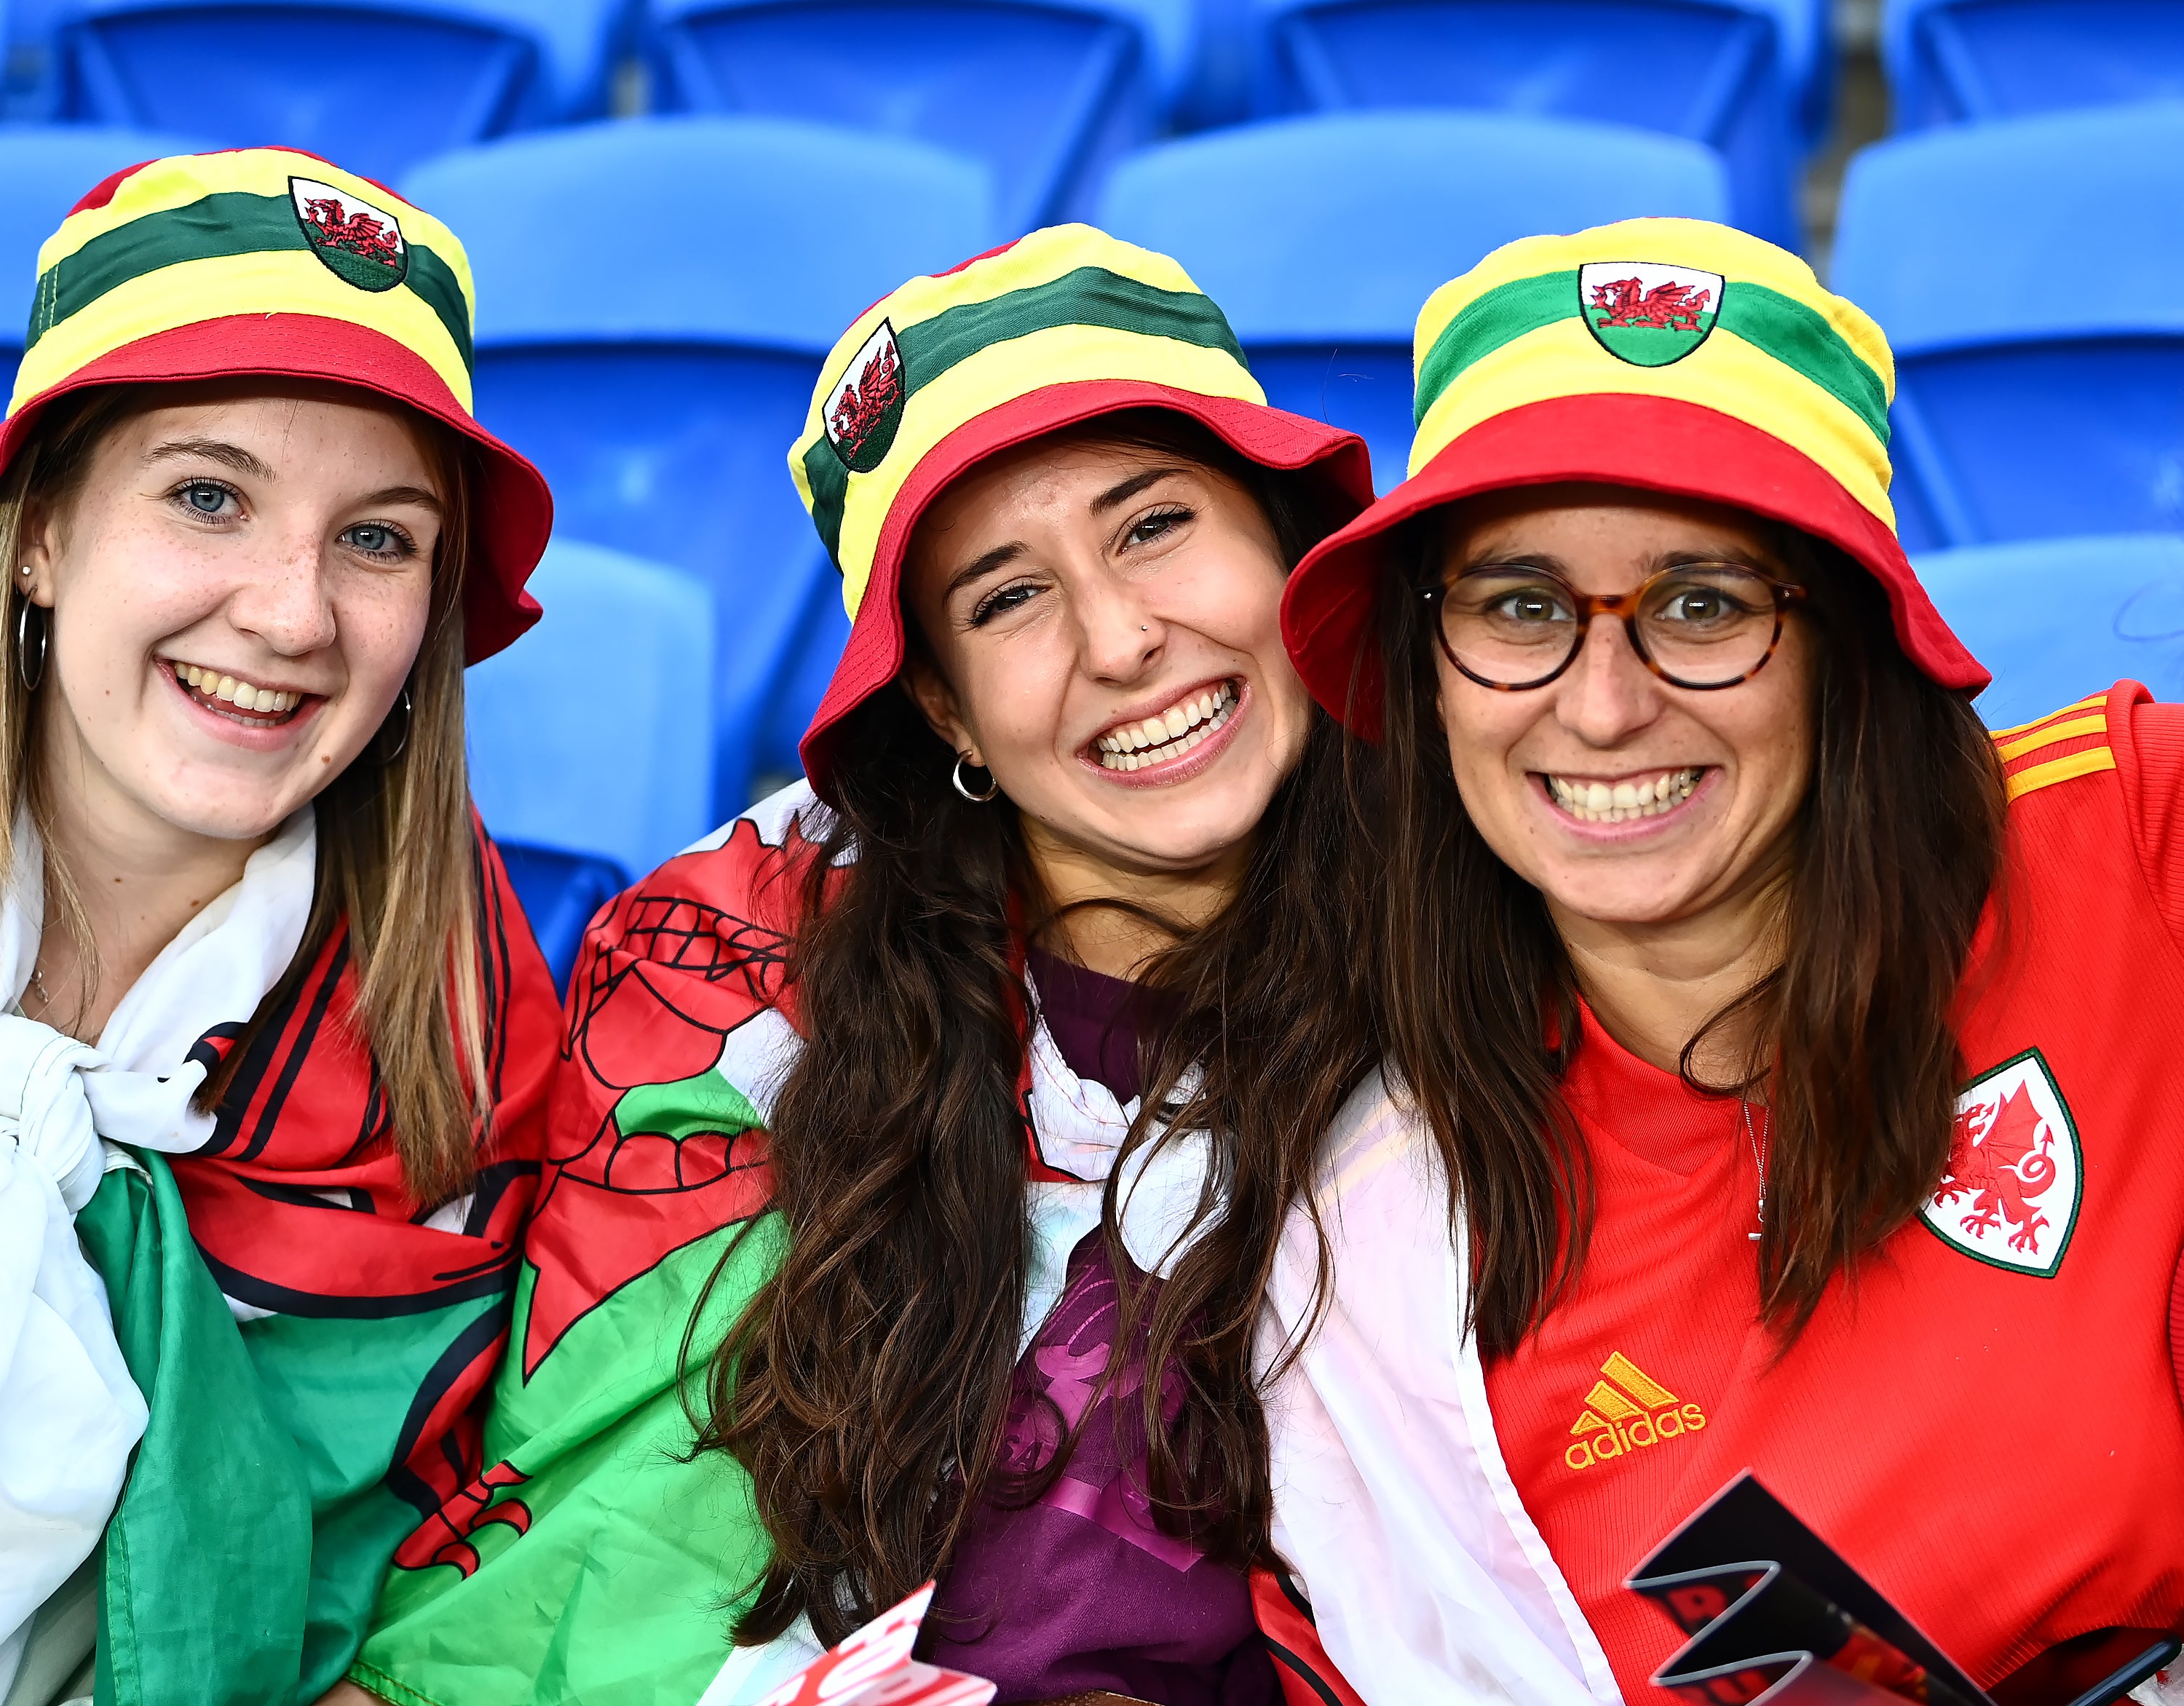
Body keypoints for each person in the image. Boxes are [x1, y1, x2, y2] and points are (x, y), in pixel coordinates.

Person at [340, 224, 1380, 1706]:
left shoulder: (1504, 923)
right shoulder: (747, 988)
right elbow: (604, 1543)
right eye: (1007, 596)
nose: (1121, 638)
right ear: (947, 712)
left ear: (1284, 547)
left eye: (1154, 526)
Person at [1254, 217, 2184, 1705]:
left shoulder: (2134, 838)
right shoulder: (1372, 1247)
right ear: (1428, 662)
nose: (1605, 706)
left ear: (1845, 642)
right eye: (1520, 604)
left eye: (1702, 603)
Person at [0, 148, 564, 1705]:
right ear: (37, 531)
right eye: (207, 495)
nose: (293, 614)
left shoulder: (469, 1026)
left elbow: (425, 1549)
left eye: (377, 538)